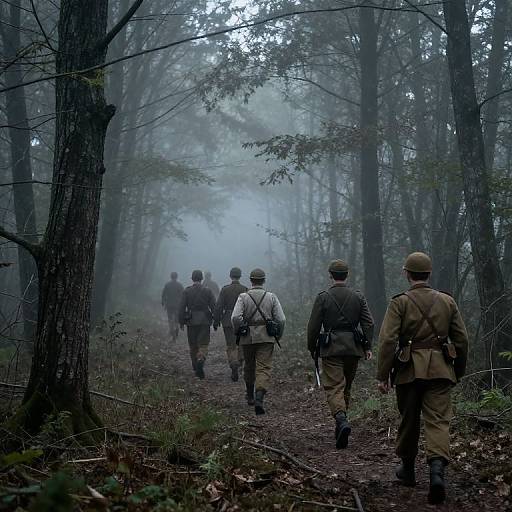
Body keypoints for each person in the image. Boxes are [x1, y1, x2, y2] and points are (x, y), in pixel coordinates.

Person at [377, 252, 469, 505]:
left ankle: (407, 470)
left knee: (409, 419)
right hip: (441, 370)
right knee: (438, 421)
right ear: (429, 274)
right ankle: (436, 472)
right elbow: (461, 340)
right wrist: (457, 371)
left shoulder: (399, 303)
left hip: (408, 371)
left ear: (407, 274)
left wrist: (382, 375)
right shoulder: (447, 301)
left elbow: (387, 341)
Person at [307, 259, 374, 449]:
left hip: (331, 348)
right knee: (346, 387)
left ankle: (341, 419)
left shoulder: (323, 297)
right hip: (353, 348)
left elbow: (313, 326)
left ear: (330, 275)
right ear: (347, 275)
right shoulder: (358, 296)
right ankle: (341, 425)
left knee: (334, 386)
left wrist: (312, 347)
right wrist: (368, 346)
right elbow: (369, 323)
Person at [231, 268, 285, 415]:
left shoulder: (243, 297)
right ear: (264, 280)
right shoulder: (271, 297)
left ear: (251, 280)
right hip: (266, 337)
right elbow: (281, 319)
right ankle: (259, 397)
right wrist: (277, 335)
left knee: (249, 366)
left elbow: (235, 317)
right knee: (263, 367)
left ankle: (249, 395)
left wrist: (239, 330)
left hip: (247, 337)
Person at [178, 270, 216, 379]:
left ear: (192, 279)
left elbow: (181, 308)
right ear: (201, 278)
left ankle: (195, 365)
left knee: (193, 345)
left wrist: (181, 321)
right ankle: (201, 358)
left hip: (191, 321)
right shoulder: (208, 291)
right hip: (204, 320)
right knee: (203, 344)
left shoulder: (187, 291)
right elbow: (214, 306)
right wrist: (216, 319)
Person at [213, 267, 248, 382]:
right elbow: (249, 307)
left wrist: (216, 321)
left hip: (228, 320)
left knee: (231, 345)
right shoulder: (245, 289)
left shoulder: (225, 289)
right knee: (242, 343)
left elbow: (219, 306)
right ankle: (240, 361)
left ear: (230, 276)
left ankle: (233, 363)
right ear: (240, 276)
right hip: (242, 320)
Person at [161, 272, 184, 342]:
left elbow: (163, 294)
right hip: (177, 305)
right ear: (176, 277)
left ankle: (172, 331)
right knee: (176, 319)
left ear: (171, 277)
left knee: (170, 318)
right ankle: (176, 328)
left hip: (169, 304)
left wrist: (163, 302)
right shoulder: (180, 285)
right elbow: (183, 295)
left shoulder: (167, 285)